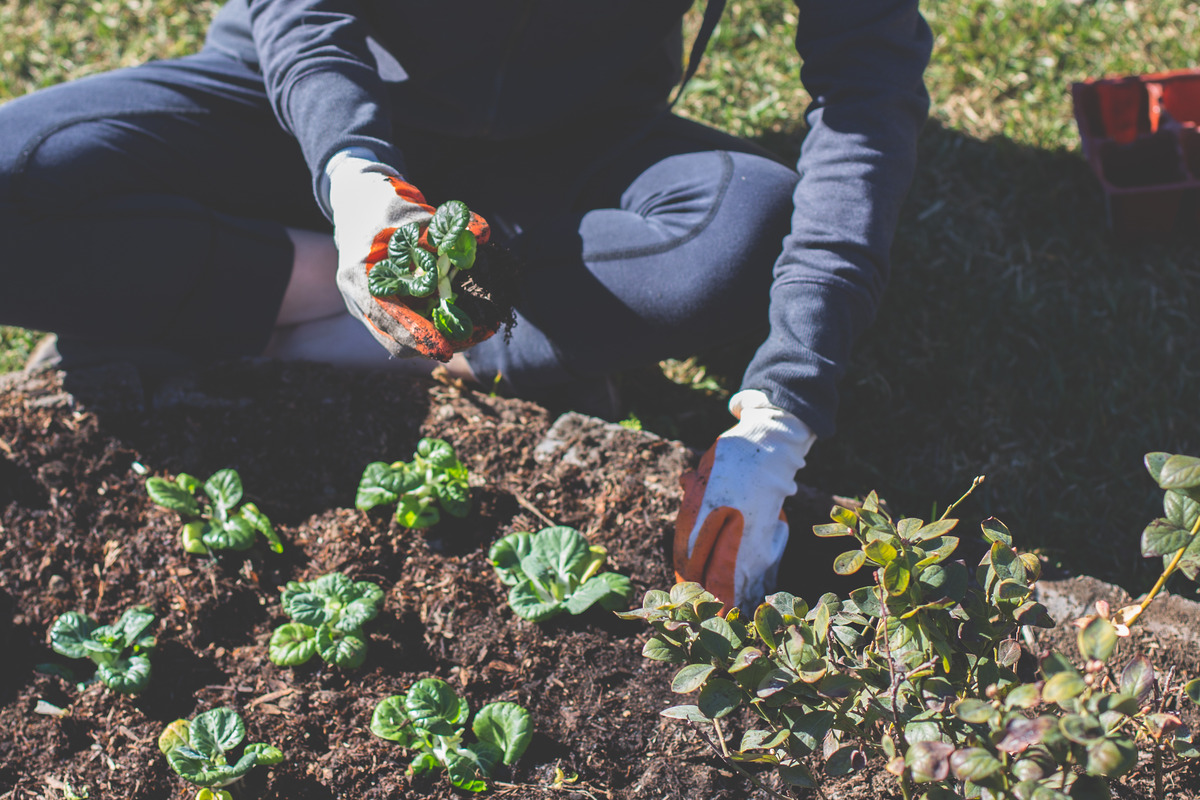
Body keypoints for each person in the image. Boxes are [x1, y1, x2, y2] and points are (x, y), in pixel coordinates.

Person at [0, 1, 932, 611]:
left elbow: (866, 92)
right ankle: (348, 284)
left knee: (743, 232)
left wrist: (786, 403)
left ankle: (356, 320)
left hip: (568, 140)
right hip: (310, 103)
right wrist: (358, 176)